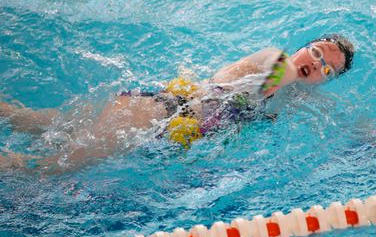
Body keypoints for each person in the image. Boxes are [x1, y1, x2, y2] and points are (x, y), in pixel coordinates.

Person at [0, 34, 355, 172]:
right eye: (316, 50)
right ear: (303, 46)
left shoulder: (293, 95)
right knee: (46, 172)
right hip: (152, 115)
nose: (317, 62)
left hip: (158, 129)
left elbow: (341, 120)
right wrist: (305, 74)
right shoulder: (273, 59)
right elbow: (282, 77)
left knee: (43, 126)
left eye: (327, 68)